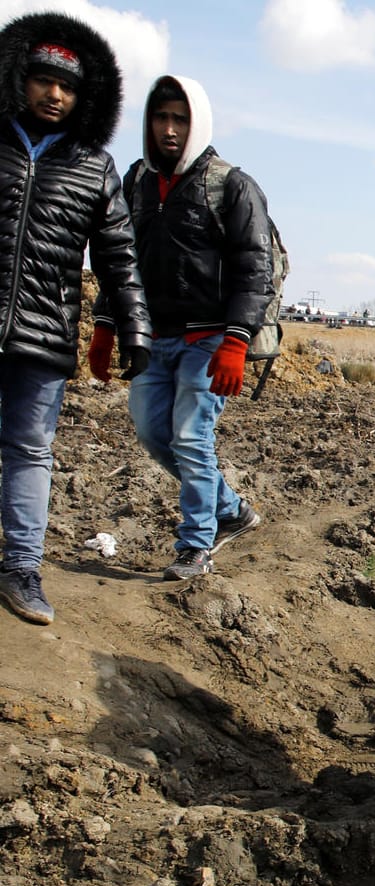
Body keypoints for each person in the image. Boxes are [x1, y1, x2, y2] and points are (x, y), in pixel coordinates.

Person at [0, 13, 151, 625]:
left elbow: (120, 254)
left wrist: (134, 329)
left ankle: (20, 571)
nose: (54, 94)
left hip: (43, 336)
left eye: (67, 87)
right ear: (21, 79)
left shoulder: (94, 168)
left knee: (30, 451)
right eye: (43, 80)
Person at [95, 76, 271, 580]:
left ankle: (196, 543)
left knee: (192, 438)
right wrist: (107, 325)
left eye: (180, 118)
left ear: (197, 123)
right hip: (153, 337)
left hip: (209, 337)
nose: (169, 129)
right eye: (161, 117)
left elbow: (254, 266)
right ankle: (232, 509)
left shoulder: (230, 184)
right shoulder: (134, 183)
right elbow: (117, 260)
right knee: (155, 435)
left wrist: (236, 340)